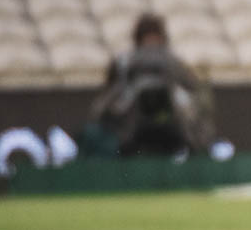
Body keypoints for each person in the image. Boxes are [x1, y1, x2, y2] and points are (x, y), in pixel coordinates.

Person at [86, 13, 213, 158]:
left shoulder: (171, 63)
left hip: (169, 129)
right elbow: (109, 101)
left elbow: (195, 95)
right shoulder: (125, 64)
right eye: (148, 38)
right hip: (131, 130)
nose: (151, 47)